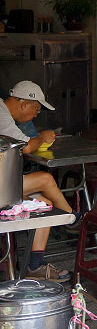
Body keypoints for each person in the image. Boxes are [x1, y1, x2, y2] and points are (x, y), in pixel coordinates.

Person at [0, 81, 78, 282]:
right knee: (45, 178)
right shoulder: (1, 113)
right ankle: (72, 219)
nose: (35, 115)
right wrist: (42, 137)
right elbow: (25, 148)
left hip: (3, 184)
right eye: (35, 109)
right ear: (24, 104)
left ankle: (34, 267)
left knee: (44, 205)